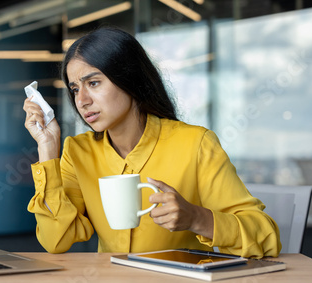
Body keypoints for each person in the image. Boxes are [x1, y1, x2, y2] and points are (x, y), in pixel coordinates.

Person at [23, 26, 281, 258]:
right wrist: (48, 148)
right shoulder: (77, 151)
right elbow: (56, 240)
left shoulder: (195, 143)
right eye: (75, 89)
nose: (82, 101)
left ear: (130, 79)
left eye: (93, 83)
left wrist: (196, 218)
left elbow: (266, 237)